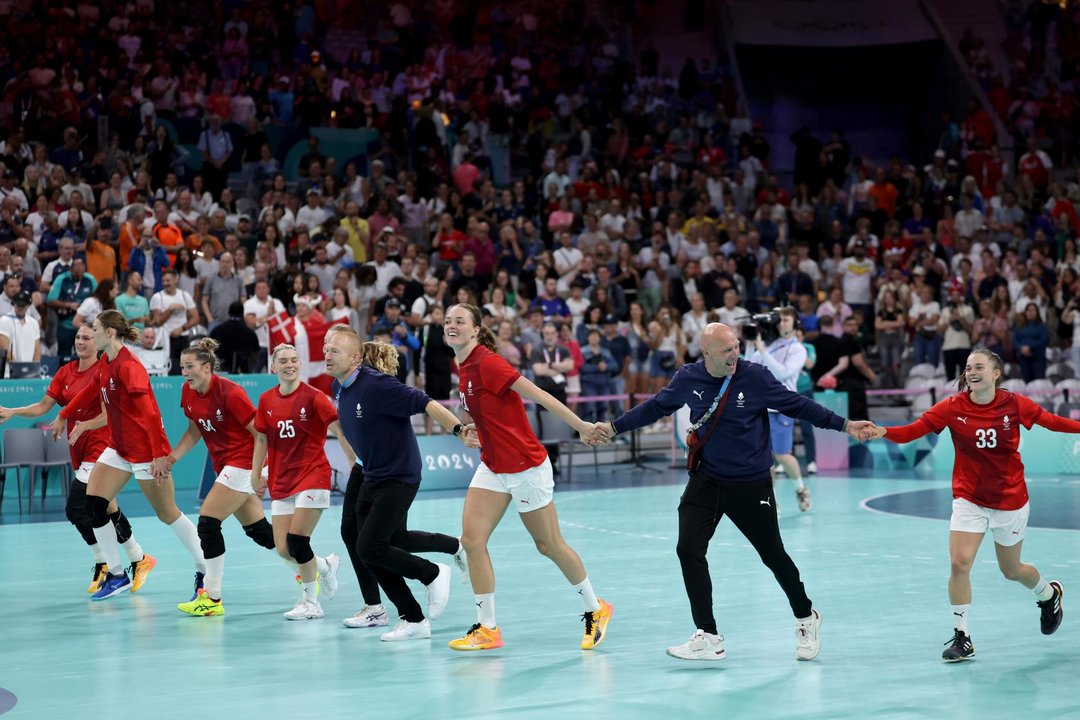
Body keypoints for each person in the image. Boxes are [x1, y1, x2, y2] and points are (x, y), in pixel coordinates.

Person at [595, 322, 874, 662]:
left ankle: (806, 616)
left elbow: (797, 405)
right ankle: (708, 635)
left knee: (773, 555)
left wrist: (845, 425)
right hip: (707, 479)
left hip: (750, 482)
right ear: (706, 352)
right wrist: (612, 428)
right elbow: (655, 407)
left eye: (737, 347)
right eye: (727, 350)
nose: (735, 354)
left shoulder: (755, 377)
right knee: (689, 550)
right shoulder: (688, 377)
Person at [864, 348, 1075, 661]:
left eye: (979, 367)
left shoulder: (1015, 404)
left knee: (1011, 569)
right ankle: (962, 637)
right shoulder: (951, 407)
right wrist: (883, 431)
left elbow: (1053, 422)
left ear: (995, 374)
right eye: (967, 368)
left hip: (1009, 498)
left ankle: (1048, 594)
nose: (971, 372)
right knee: (959, 563)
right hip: (969, 498)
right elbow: (913, 431)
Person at [443, 304, 613, 651]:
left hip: (525, 466)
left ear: (476, 330)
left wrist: (579, 426)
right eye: (447, 321)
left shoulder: (488, 362)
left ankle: (596, 609)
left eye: (460, 321)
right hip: (493, 464)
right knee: (472, 541)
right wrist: (475, 427)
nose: (452, 325)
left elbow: (539, 395)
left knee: (548, 545)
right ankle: (488, 628)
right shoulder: (462, 366)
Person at [51, 310, 206, 601]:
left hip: (146, 452)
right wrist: (63, 414)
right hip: (119, 448)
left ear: (109, 333)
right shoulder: (105, 362)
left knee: (168, 514)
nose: (90, 334)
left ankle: (204, 567)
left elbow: (149, 412)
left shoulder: (129, 367)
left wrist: (161, 454)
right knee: (94, 504)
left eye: (94, 330)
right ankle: (117, 574)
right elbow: (87, 393)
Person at [322, 326, 462, 642]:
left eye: (335, 351)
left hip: (399, 477)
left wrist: (458, 430)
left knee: (369, 545)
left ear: (356, 358)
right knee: (377, 542)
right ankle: (412, 617)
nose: (327, 355)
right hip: (372, 474)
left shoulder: (379, 385)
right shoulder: (339, 386)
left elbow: (424, 402)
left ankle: (433, 573)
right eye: (326, 349)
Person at [0, 323, 151, 594]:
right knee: (107, 509)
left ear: (100, 340)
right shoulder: (65, 372)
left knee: (76, 507)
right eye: (79, 337)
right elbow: (43, 407)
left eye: (87, 337)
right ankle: (139, 558)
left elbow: (110, 414)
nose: (81, 341)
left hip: (104, 448)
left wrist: (82, 424)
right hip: (78, 450)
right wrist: (14, 411)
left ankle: (104, 563)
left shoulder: (104, 370)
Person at [162, 338, 286, 616]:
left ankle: (212, 598)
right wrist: (172, 457)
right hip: (226, 467)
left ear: (207, 367)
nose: (185, 372)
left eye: (190, 366)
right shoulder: (188, 391)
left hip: (244, 464)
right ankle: (320, 567)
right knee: (262, 534)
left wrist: (259, 474)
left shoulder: (231, 393)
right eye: (182, 367)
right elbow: (195, 430)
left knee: (207, 522)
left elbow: (261, 434)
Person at [251, 343, 354, 620]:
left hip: (313, 475)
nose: (289, 365)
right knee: (284, 549)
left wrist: (353, 462)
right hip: (281, 478)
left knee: (297, 541)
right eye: (283, 361)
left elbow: (340, 431)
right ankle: (326, 566)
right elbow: (261, 438)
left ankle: (311, 603)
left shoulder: (315, 397)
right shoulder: (266, 400)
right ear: (273, 367)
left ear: (301, 364)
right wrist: (254, 473)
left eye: (294, 360)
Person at [743, 307, 812, 512]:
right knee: (763, 458)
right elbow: (747, 365)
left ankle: (800, 488)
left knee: (782, 454)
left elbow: (782, 374)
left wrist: (763, 350)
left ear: (795, 323)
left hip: (782, 407)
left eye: (786, 319)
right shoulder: (769, 344)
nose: (781, 322)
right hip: (761, 407)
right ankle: (770, 500)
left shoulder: (798, 349)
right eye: (779, 319)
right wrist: (750, 344)